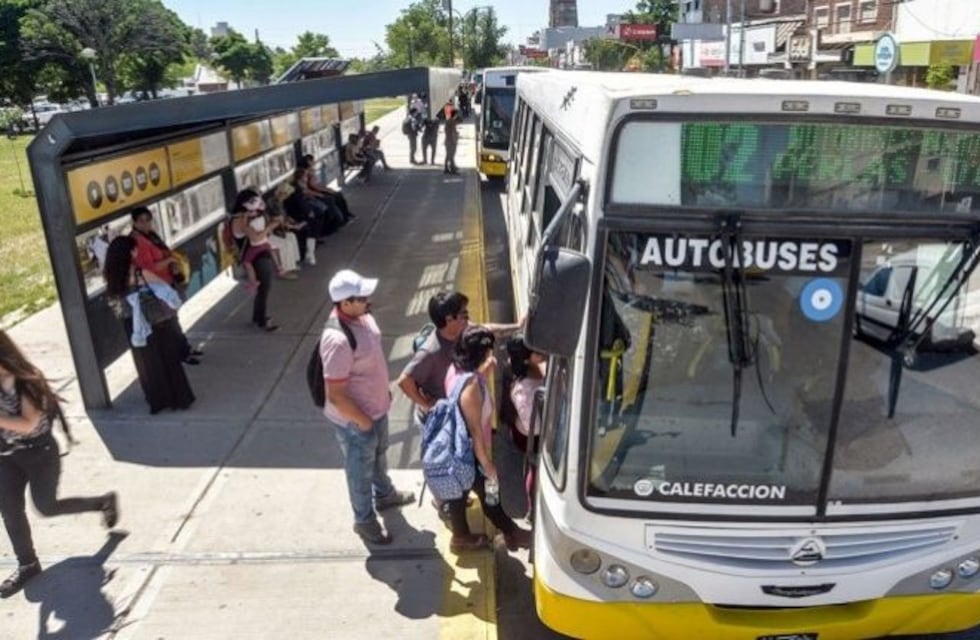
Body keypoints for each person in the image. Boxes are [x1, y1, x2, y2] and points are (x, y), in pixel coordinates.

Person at [0, 331, 119, 598]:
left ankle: (102, 502)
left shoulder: (24, 379)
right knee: (9, 511)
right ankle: (27, 564)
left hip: (39, 453)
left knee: (47, 506)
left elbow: (29, 424)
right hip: (6, 456)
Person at [320, 270, 414, 545]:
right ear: (345, 303)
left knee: (379, 456)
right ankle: (364, 521)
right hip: (356, 420)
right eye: (361, 297)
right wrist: (362, 421)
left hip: (375, 409)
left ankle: (385, 495)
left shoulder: (363, 317)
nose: (368, 299)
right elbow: (336, 394)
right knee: (359, 471)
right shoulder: (336, 340)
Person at [441, 325, 531, 553]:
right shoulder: (471, 389)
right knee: (491, 493)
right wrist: (487, 464)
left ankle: (461, 535)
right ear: (480, 355)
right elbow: (475, 431)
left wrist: (482, 375)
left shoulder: (456, 370)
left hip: (456, 448)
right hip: (470, 453)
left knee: (459, 493)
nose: (493, 354)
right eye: (489, 351)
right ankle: (511, 532)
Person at [103, 236, 195, 414]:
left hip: (131, 322)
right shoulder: (139, 272)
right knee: (168, 358)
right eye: (134, 249)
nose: (137, 251)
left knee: (146, 362)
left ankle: (157, 400)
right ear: (130, 252)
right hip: (154, 320)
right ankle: (178, 398)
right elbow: (165, 288)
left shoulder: (111, 274)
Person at [129, 206, 203, 365]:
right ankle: (182, 353)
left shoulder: (150, 236)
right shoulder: (138, 240)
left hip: (166, 283)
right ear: (134, 222)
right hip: (157, 287)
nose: (146, 224)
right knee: (170, 322)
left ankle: (184, 348)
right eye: (141, 221)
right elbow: (148, 268)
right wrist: (169, 261)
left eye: (148, 220)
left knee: (173, 320)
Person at [230, 188, 280, 332]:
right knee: (264, 287)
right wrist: (271, 226)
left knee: (264, 288)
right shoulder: (241, 220)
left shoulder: (244, 216)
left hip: (258, 253)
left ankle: (258, 317)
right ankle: (261, 320)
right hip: (254, 257)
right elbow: (255, 237)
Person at [443, 107, 460, 175]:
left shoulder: (448, 120)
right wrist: (454, 140)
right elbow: (452, 132)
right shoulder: (452, 121)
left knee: (448, 155)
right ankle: (452, 169)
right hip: (451, 141)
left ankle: (446, 168)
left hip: (447, 140)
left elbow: (447, 131)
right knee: (451, 155)